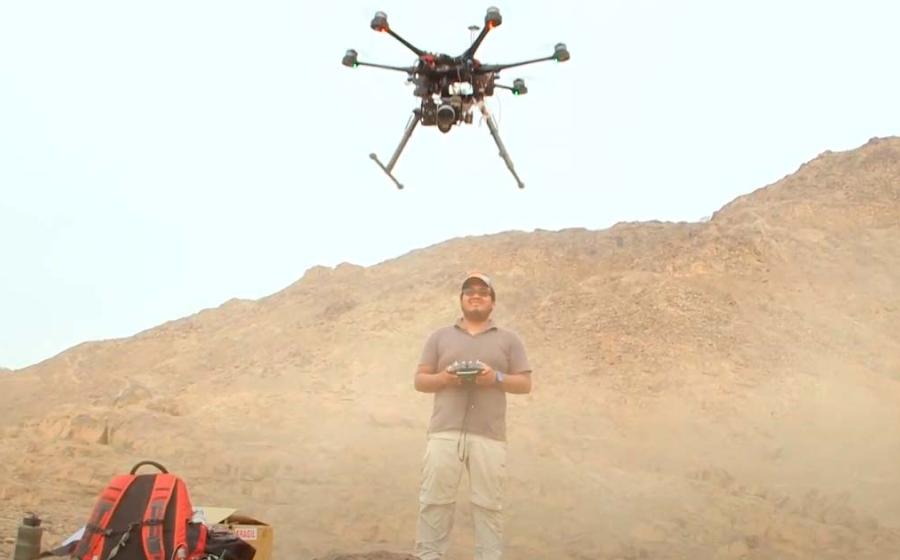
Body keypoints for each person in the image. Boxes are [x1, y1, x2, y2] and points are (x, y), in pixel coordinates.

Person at [413, 272, 532, 560]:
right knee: (434, 502)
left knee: (488, 507)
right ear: (461, 299)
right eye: (469, 291)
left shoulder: (509, 340)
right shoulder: (439, 337)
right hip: (444, 431)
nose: (475, 295)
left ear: (492, 302)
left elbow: (525, 384)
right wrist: (445, 378)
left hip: (489, 435)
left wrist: (495, 378)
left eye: (483, 291)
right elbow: (419, 381)